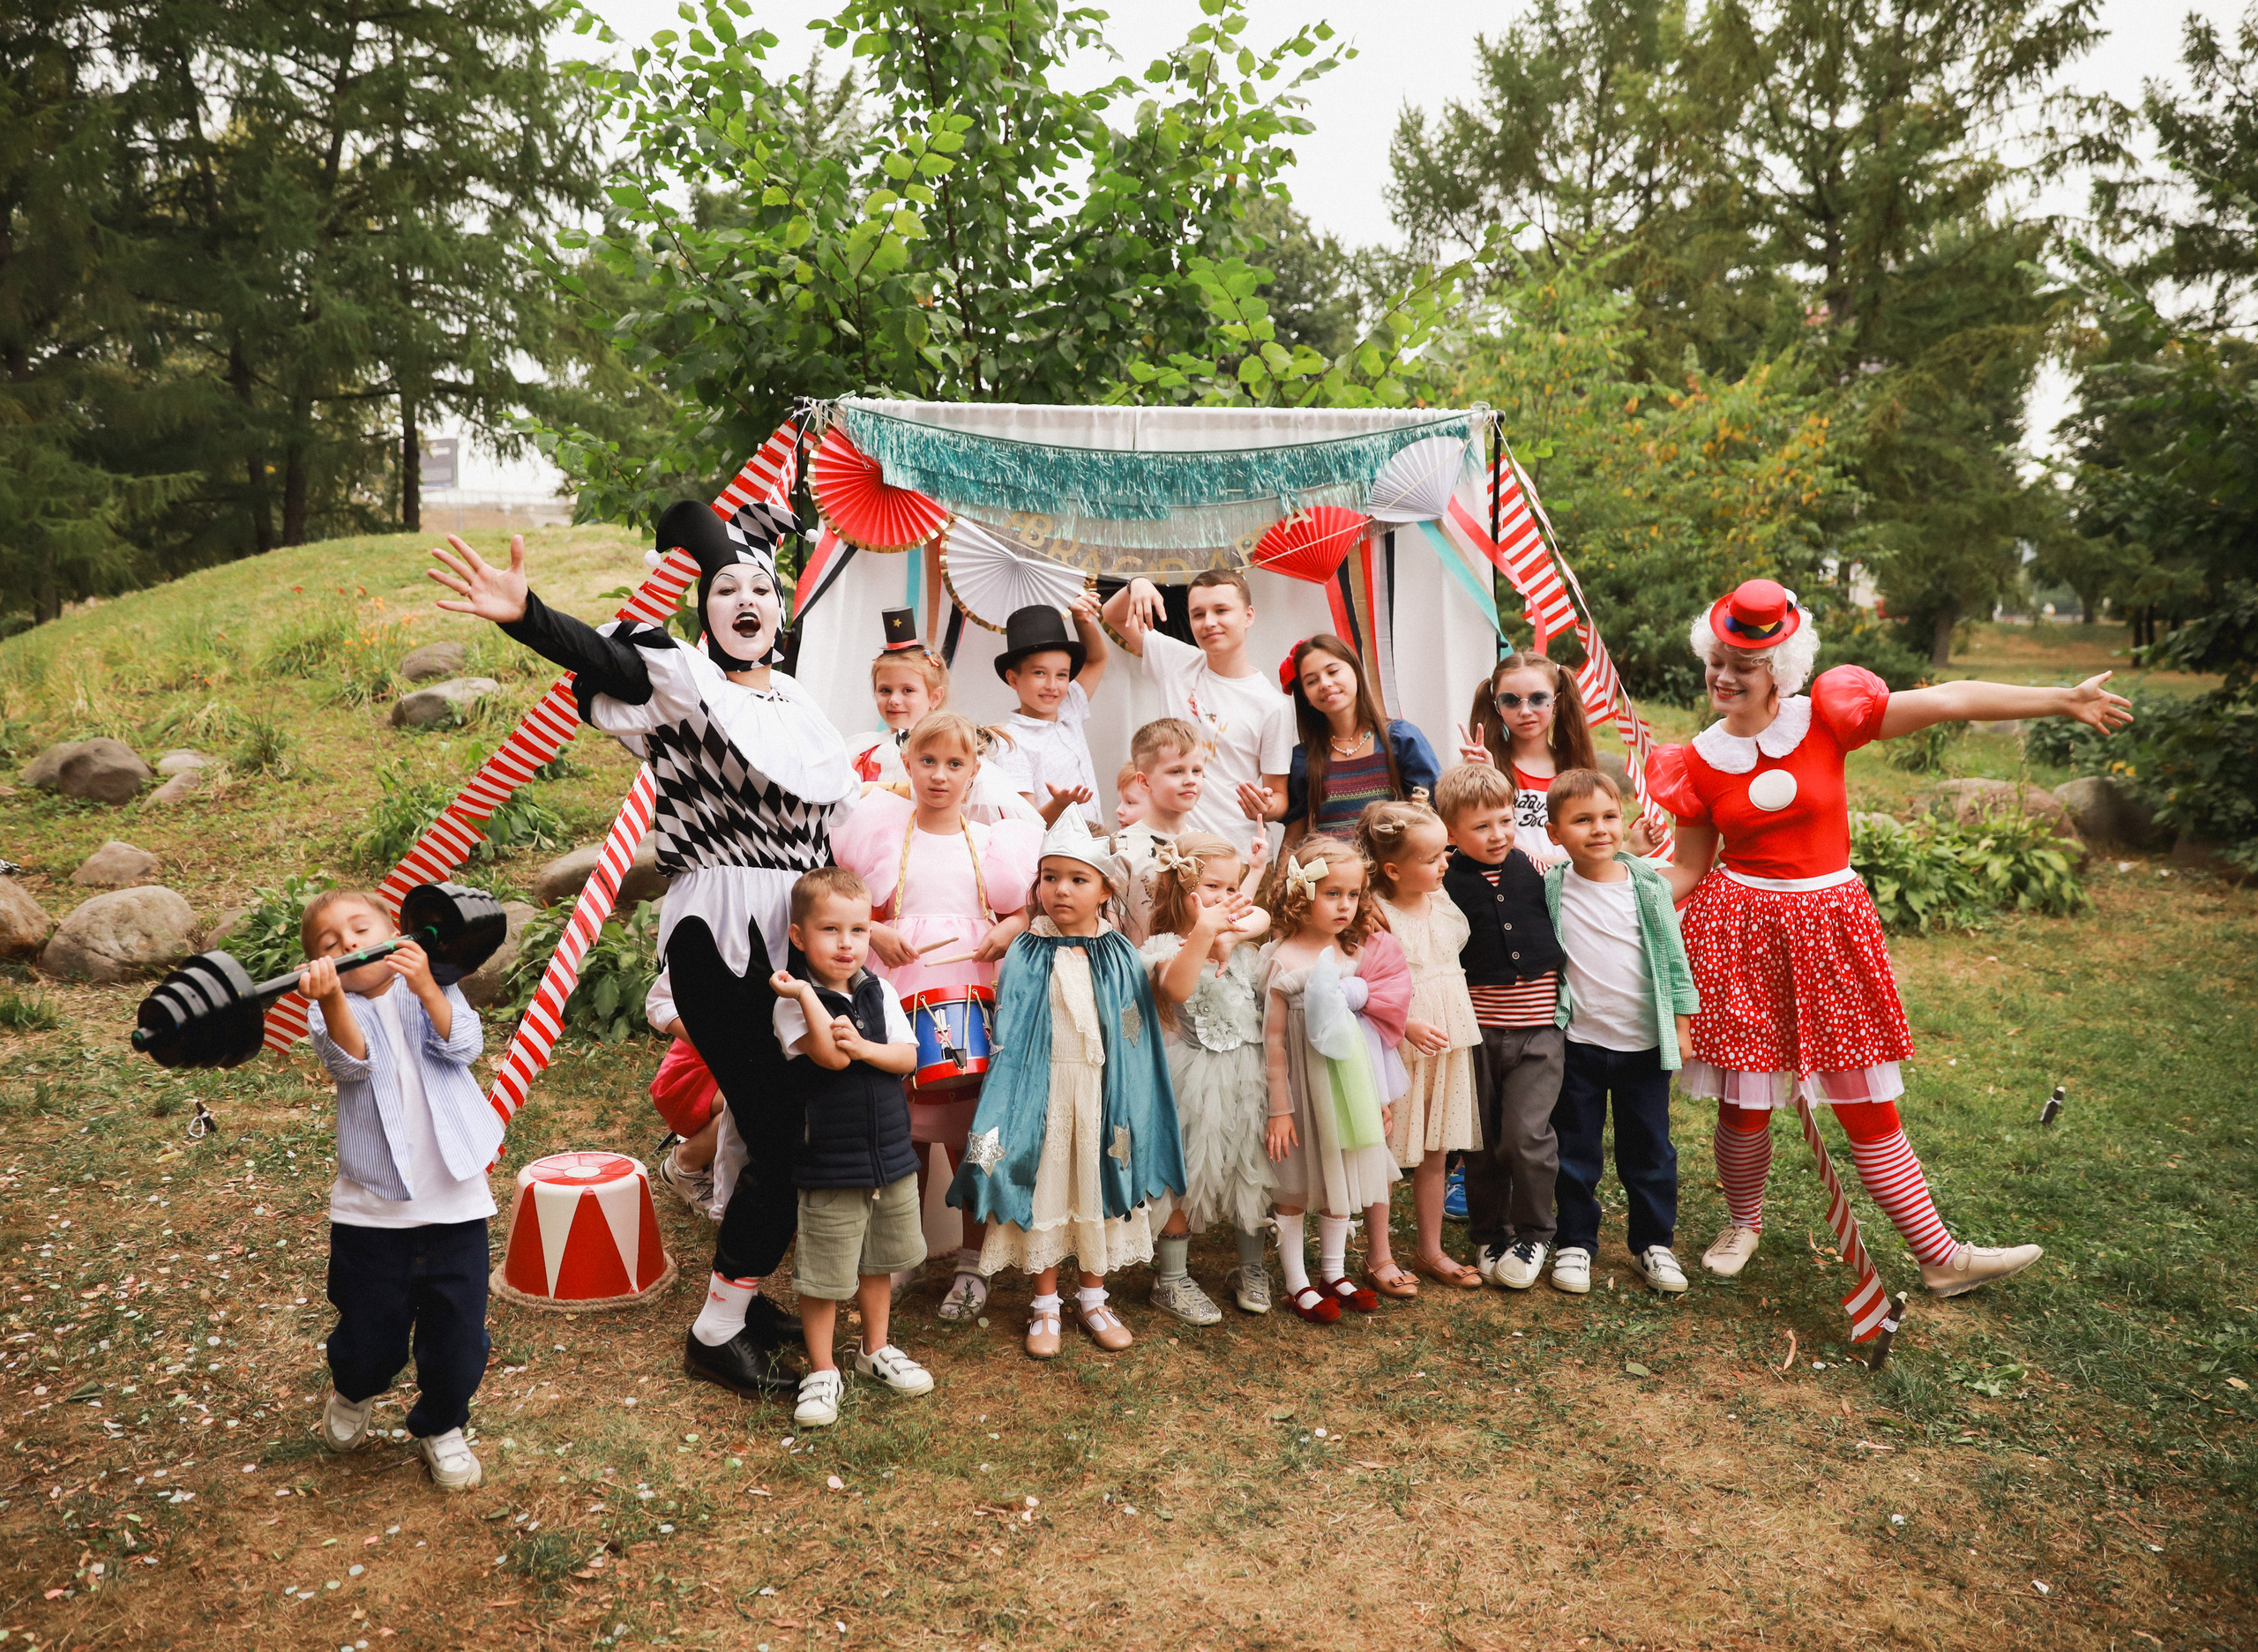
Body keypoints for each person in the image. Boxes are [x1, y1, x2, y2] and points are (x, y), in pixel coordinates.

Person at [429, 506, 859, 1401]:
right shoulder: (682, 680)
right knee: (782, 1132)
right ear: (703, 610)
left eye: (760, 590)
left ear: (781, 610)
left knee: (774, 1127)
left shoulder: (801, 701)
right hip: (719, 934)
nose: (746, 601)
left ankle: (739, 1302)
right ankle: (714, 1329)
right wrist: (529, 616)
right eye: (726, 589)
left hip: (793, 931)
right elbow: (608, 660)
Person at [1649, 579, 2132, 1298]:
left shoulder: (1828, 719)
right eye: (1715, 660)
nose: (1723, 676)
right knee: (1742, 1103)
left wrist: (2060, 697)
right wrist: (1609, 883)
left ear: (1778, 668)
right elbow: (1690, 865)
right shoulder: (1696, 760)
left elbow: (1950, 700)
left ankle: (1940, 1255)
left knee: (1864, 1099)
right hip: (1739, 934)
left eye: (1741, 665)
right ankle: (1742, 1221)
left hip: (1831, 931)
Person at [828, 710, 1039, 1323]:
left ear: (976, 771)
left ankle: (973, 1260)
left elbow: (1024, 910)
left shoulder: (994, 843)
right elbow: (848, 906)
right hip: (902, 988)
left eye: (954, 764)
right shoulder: (886, 835)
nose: (939, 775)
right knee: (907, 1128)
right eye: (927, 761)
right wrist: (877, 929)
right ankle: (905, 1251)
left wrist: (1011, 926)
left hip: (971, 990)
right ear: (908, 764)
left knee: (974, 1133)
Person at [947, 812, 1184, 1358]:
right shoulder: (1026, 953)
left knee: (1097, 1190)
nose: (1062, 890)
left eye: (1078, 879)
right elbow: (1012, 1034)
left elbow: (1131, 1032)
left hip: (1104, 1097)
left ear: (1106, 889)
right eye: (1051, 877)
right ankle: (1045, 1304)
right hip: (1042, 1098)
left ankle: (1095, 1299)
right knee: (1047, 1188)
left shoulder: (1120, 952)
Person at [298, 889, 496, 1491]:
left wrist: (430, 989)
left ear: (398, 932)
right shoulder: (329, 1006)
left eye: (361, 928)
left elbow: (464, 1044)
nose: (351, 943)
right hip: (373, 1211)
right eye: (332, 944)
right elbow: (352, 1062)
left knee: (458, 1333)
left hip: (455, 1201)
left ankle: (442, 1423)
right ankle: (354, 1389)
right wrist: (331, 994)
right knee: (367, 1332)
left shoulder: (435, 984)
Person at [767, 868, 936, 1428]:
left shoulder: (879, 989)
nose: (846, 944)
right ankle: (822, 1369)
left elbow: (906, 1058)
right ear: (799, 937)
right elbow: (827, 1056)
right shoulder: (790, 1000)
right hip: (829, 1160)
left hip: (888, 1154)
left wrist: (866, 1047)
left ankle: (874, 1350)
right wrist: (807, 998)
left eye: (859, 931)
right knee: (824, 1272)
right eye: (831, 931)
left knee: (877, 1262)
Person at [1539, 771, 1700, 1297]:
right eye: (1581, 820)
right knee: (1574, 1150)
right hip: (1578, 1044)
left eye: (1608, 816)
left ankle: (1653, 1244)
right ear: (1554, 831)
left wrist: (1681, 1024)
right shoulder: (1552, 886)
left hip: (1643, 1046)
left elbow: (1674, 962)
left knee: (1650, 1152)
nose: (1598, 829)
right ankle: (1575, 1243)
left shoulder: (1647, 885)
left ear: (1623, 819)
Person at [1261, 837, 1417, 1322]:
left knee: (1341, 1181)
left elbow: (1367, 1036)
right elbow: (1274, 1045)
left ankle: (1333, 1271)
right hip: (1304, 1093)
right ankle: (1297, 1282)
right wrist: (1280, 1109)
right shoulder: (1283, 959)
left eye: (1353, 895)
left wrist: (1378, 1097)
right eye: (1332, 893)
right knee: (1295, 1186)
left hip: (1347, 1088)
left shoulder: (1352, 953)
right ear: (1299, 894)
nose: (1345, 905)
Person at [1433, 762, 1566, 1292]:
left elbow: (1589, 868)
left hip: (1537, 1030)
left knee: (1526, 1134)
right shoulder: (1442, 880)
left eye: (1505, 821)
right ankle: (1490, 1230)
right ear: (1451, 833)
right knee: (1481, 1137)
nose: (1497, 835)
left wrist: (1647, 847)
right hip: (1476, 1032)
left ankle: (1536, 1230)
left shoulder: (1536, 864)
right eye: (1481, 827)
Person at [1140, 832, 1275, 1319]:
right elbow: (1176, 989)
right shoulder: (1161, 947)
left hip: (1248, 1075)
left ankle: (1251, 1265)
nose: (1227, 899)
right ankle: (1172, 1277)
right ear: (1183, 889)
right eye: (1214, 888)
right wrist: (1205, 934)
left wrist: (1232, 927)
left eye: (1232, 888)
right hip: (1193, 1078)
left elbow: (1258, 914)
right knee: (1188, 1173)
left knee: (1251, 1165)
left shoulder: (1239, 942)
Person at [1357, 799, 1484, 1289]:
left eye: (1443, 854)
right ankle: (1380, 1255)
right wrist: (1404, 1023)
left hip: (1448, 1039)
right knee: (1388, 1149)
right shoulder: (1376, 915)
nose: (1444, 864)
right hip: (1399, 1043)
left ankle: (1430, 1249)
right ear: (1393, 869)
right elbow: (1365, 985)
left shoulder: (1441, 899)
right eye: (1432, 859)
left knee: (1437, 1148)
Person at [1100, 568, 1295, 842]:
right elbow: (1113, 616)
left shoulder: (1272, 704)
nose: (1209, 622)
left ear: (1248, 615)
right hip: (1171, 850)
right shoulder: (1176, 661)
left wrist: (1266, 806)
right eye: (1198, 614)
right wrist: (1137, 584)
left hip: (1235, 855)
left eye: (1221, 610)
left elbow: (1279, 797)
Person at [846, 607, 1036, 825]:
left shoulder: (949, 748)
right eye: (885, 690)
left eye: (908, 690)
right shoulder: (863, 752)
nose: (894, 700)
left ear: (935, 697)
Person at [1274, 635, 1441, 848]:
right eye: (1312, 681)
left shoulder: (1400, 739)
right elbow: (1295, 836)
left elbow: (1433, 811)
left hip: (1395, 876)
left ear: (1355, 670)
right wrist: (1281, 880)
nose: (1325, 684)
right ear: (1305, 695)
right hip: (1332, 877)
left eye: (1333, 671)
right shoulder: (1303, 759)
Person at [1460, 651, 1598, 871]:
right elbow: (1474, 839)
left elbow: (1596, 843)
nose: (1525, 711)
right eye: (1510, 701)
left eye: (1538, 699)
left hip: (1573, 888)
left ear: (1557, 702)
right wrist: (1484, 781)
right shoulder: (1486, 765)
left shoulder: (1577, 767)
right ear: (1496, 706)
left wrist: (1633, 848)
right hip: (1509, 890)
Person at [990, 597, 1110, 826]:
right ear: (1013, 679)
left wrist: (1081, 621)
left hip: (1095, 844)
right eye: (1039, 673)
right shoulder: (1010, 742)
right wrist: (1058, 804)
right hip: (1055, 855)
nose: (1052, 685)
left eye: (1062, 675)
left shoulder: (1068, 707)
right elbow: (1024, 822)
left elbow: (1097, 659)